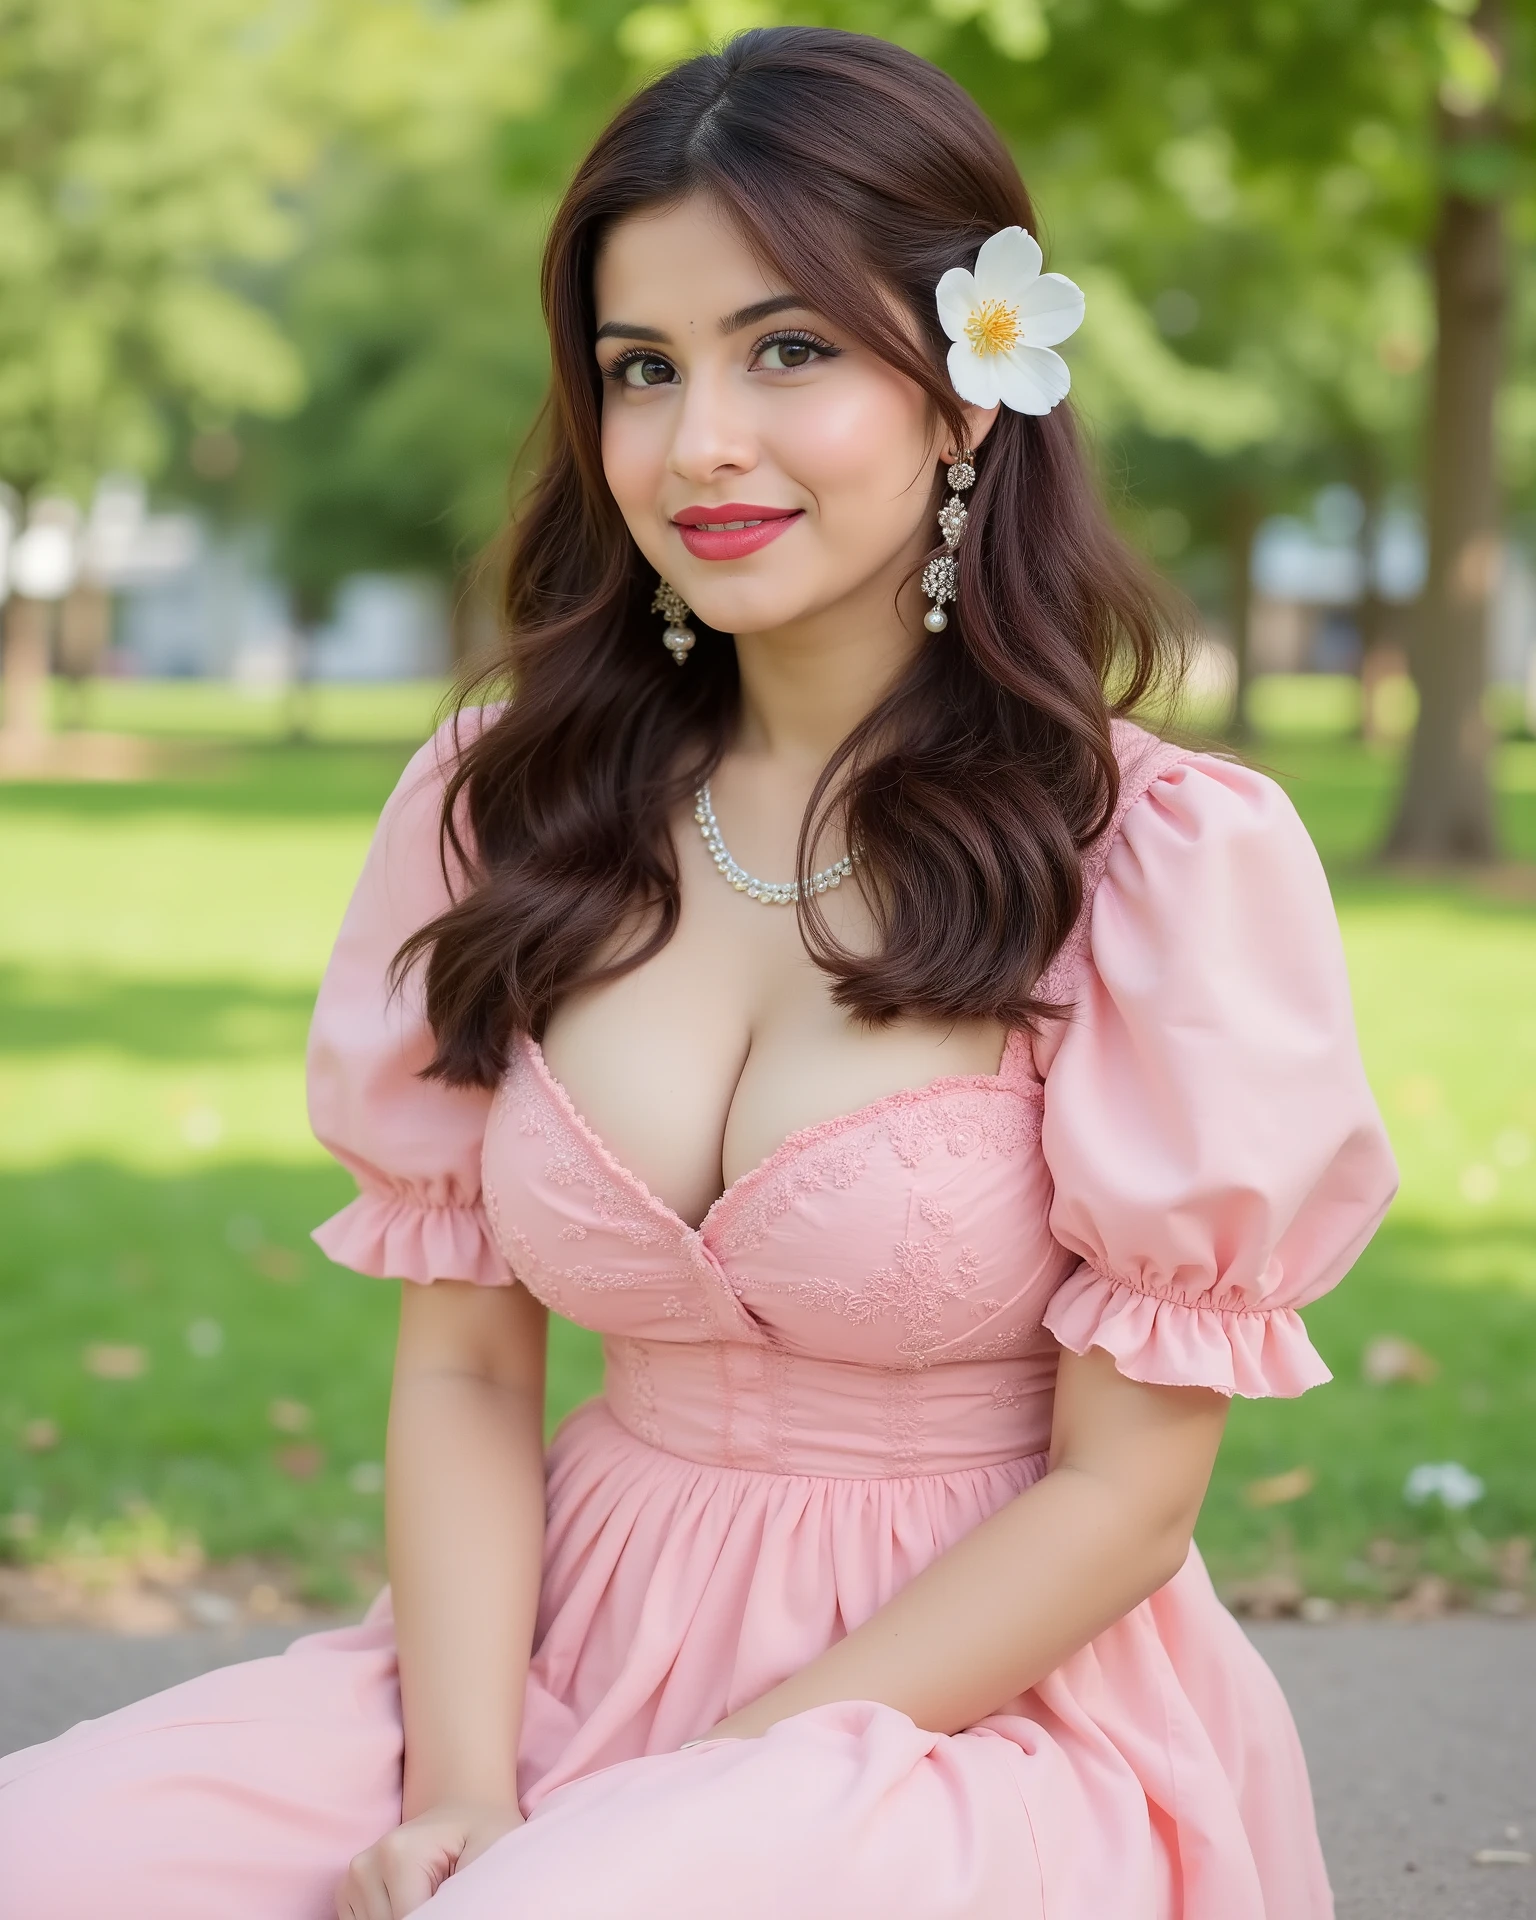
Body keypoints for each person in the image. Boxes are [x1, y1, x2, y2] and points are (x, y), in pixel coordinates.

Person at [0, 28, 1398, 1919]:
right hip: (549, 1659)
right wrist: (467, 1790)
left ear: (969, 392)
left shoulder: (1150, 861)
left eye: (788, 350)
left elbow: (1127, 1501)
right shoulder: (513, 805)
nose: (699, 442)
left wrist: (681, 1809)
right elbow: (470, 1372)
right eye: (641, 368)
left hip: (967, 1709)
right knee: (54, 1858)